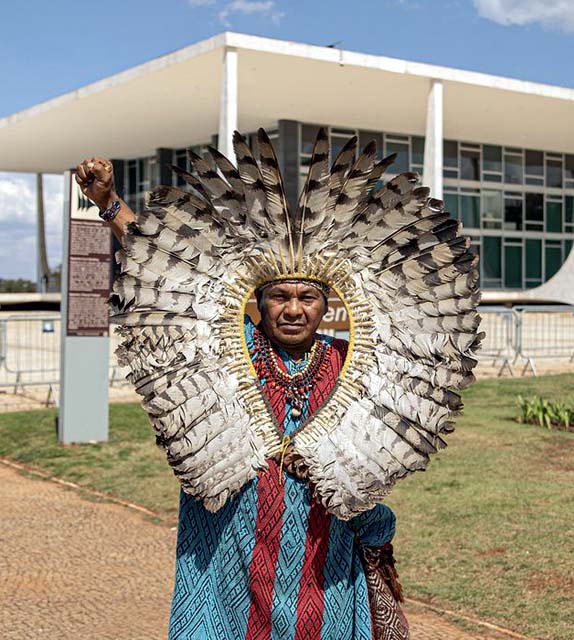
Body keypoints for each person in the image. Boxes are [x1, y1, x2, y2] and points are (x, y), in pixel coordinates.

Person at [75, 156, 400, 640]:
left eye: (306, 298)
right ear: (259, 302)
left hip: (324, 567)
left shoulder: (356, 364)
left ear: (327, 304)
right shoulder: (226, 350)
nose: (293, 309)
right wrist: (108, 202)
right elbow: (168, 273)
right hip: (229, 563)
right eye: (279, 297)